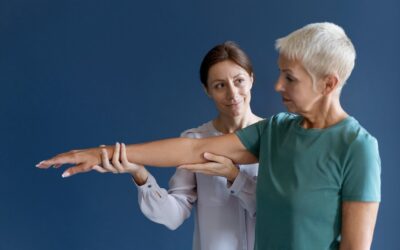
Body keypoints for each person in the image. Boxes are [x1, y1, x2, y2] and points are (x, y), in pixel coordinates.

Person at [38, 22, 381, 250]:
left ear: (328, 84)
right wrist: (102, 153)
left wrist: (234, 177)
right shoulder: (277, 130)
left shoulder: (357, 148)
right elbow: (193, 148)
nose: (278, 86)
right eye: (279, 74)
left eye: (289, 78)